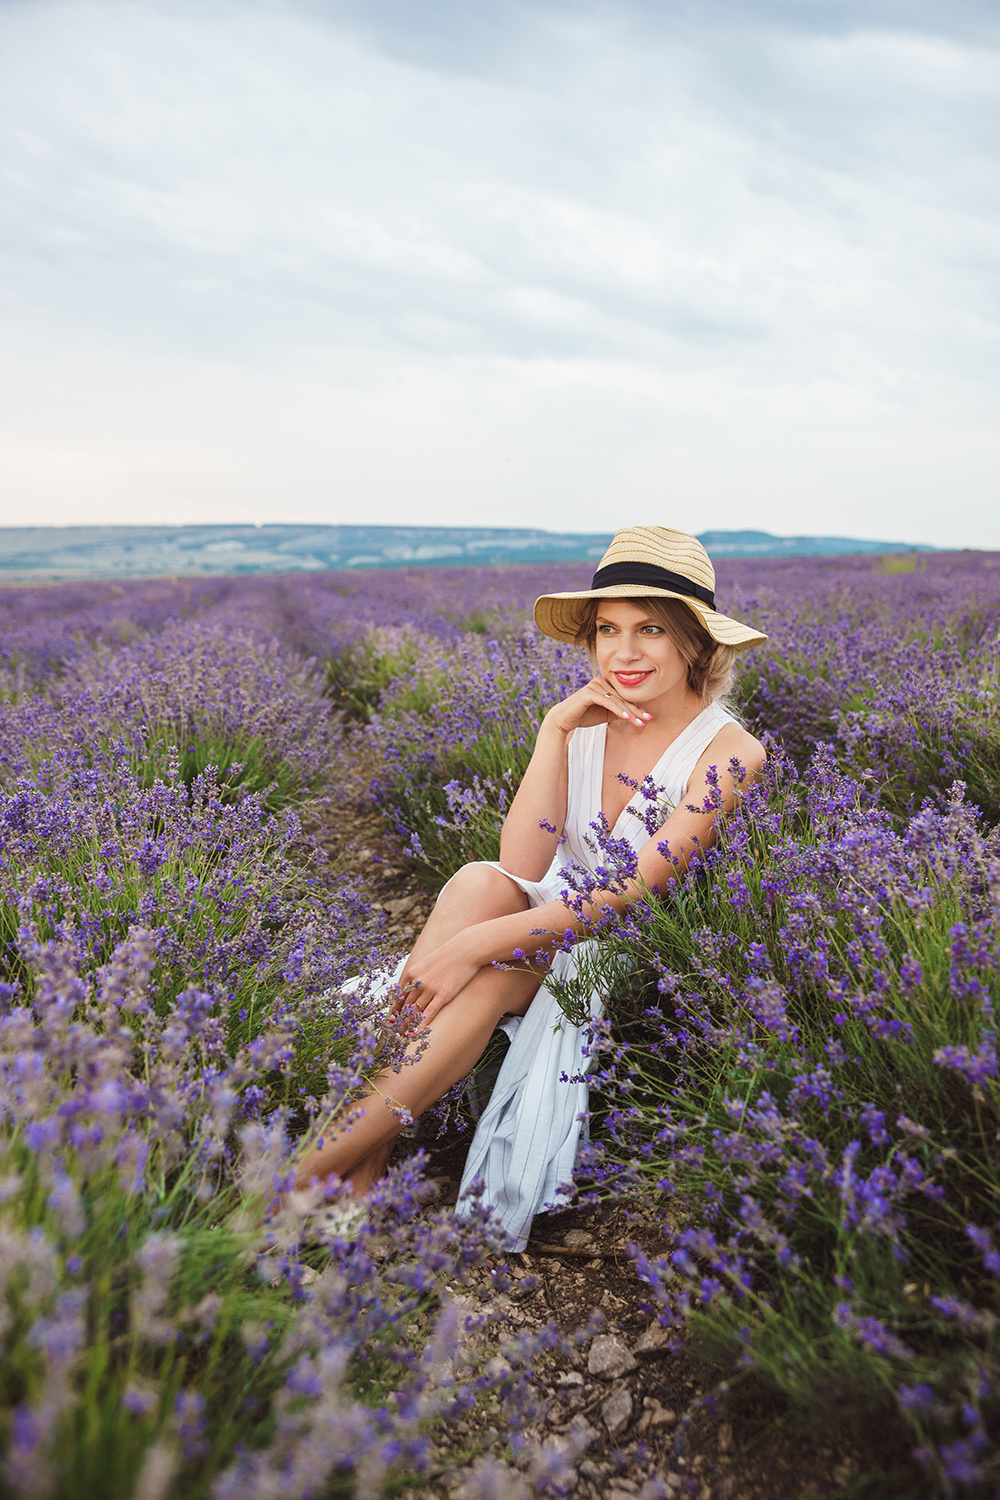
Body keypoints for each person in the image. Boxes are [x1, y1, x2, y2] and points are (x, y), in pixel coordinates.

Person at [296, 526, 767, 1248]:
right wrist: (554, 732)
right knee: (477, 879)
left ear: (696, 644)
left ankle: (304, 1177)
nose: (624, 652)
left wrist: (475, 947)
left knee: (480, 978)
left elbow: (630, 894)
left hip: (632, 950)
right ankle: (364, 1163)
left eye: (651, 630)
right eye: (608, 630)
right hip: (549, 914)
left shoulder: (730, 752)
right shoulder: (583, 724)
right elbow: (524, 861)